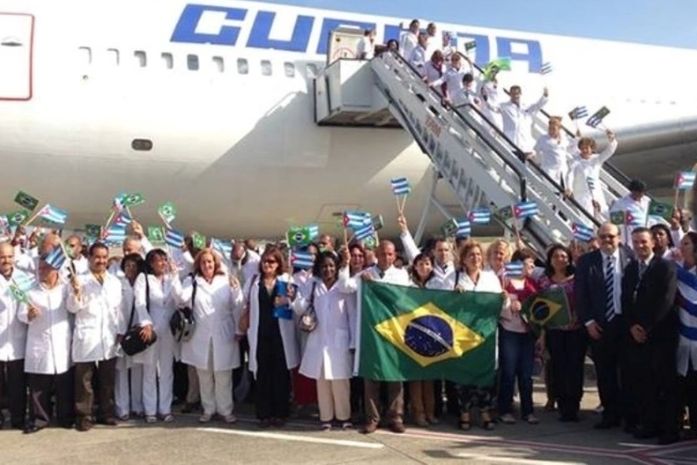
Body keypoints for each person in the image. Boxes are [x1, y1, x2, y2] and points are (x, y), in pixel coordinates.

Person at [341, 240, 410, 434]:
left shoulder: (401, 274)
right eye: (382, 254)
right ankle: (372, 418)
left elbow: (400, 298)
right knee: (371, 376)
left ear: (394, 256)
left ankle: (395, 417)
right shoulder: (366, 273)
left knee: (395, 375)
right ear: (376, 255)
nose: (386, 257)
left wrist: (375, 285)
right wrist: (345, 264)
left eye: (390, 254)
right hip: (371, 332)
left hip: (393, 330)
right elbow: (345, 287)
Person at [622, 228, 679, 444]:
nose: (639, 246)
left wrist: (646, 327)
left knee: (665, 383)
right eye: (636, 242)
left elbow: (666, 300)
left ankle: (669, 429)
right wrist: (632, 326)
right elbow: (625, 300)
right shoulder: (630, 268)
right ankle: (649, 424)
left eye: (643, 241)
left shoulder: (666, 267)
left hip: (660, 334)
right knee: (644, 382)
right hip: (637, 335)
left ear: (653, 242)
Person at [575, 222, 633, 430]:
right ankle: (610, 414)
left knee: (627, 372)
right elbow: (581, 295)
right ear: (597, 239)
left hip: (624, 324)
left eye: (611, 236)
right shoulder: (586, 262)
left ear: (619, 238)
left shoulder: (630, 258)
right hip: (599, 325)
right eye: (603, 237)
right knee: (605, 372)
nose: (607, 240)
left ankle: (629, 415)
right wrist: (589, 322)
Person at [294, 251, 355, 431]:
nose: (328, 269)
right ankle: (326, 417)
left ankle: (344, 417)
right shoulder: (313, 284)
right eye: (324, 266)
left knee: (340, 382)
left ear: (336, 267)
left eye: (331, 266)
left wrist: (353, 341)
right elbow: (299, 308)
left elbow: (352, 316)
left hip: (340, 341)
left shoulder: (343, 286)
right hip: (318, 339)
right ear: (319, 268)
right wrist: (295, 298)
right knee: (322, 382)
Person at [67, 242, 124, 432]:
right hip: (87, 334)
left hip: (108, 335)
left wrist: (120, 331)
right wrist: (76, 293)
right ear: (90, 258)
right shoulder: (79, 280)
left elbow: (118, 310)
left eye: (104, 257)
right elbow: (72, 308)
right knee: (84, 380)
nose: (101, 261)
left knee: (107, 379)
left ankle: (106, 413)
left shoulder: (114, 282)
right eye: (97, 257)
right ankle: (84, 416)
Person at [181, 248, 242, 424]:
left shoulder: (226, 280)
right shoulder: (192, 281)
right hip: (200, 333)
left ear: (215, 263)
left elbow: (238, 304)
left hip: (224, 332)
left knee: (223, 374)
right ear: (198, 265)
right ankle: (208, 409)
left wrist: (239, 329)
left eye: (210, 261)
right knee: (204, 374)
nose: (207, 265)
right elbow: (181, 300)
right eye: (203, 262)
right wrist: (173, 279)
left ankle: (225, 410)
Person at [242, 247, 298, 427]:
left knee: (280, 374)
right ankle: (264, 414)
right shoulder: (254, 281)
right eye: (265, 261)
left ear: (279, 264)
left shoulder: (287, 280)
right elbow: (242, 302)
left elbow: (297, 305)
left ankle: (281, 413)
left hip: (280, 335)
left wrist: (288, 299)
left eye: (272, 262)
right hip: (260, 334)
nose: (267, 265)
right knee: (262, 374)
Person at [19, 256, 74, 433]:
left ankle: (65, 417)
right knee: (38, 386)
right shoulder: (31, 291)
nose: (41, 271)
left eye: (45, 268)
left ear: (55, 270)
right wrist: (29, 315)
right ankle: (39, 419)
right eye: (40, 268)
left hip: (61, 341)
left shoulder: (65, 288)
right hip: (39, 341)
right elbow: (21, 314)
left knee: (64, 384)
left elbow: (73, 307)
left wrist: (77, 292)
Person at [455, 240, 505, 431]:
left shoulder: (491, 278)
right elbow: (444, 305)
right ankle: (464, 412)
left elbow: (501, 306)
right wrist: (454, 296)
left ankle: (485, 411)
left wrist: (505, 299)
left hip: (486, 334)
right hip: (464, 334)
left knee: (485, 374)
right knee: (464, 375)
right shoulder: (456, 279)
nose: (475, 258)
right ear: (463, 259)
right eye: (471, 255)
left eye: (478, 255)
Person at [538, 244, 587, 422]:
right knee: (558, 368)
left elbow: (584, 300)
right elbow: (540, 308)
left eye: (564, 256)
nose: (560, 259)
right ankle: (562, 405)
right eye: (556, 256)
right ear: (550, 260)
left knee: (575, 368)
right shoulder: (544, 281)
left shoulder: (578, 278)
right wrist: (542, 334)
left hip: (576, 330)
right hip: (554, 331)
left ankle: (574, 405)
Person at [132, 249, 179, 423]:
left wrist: (175, 277)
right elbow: (140, 302)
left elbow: (180, 300)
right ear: (151, 263)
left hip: (169, 330)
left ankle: (165, 409)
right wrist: (146, 323)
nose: (163, 263)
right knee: (149, 370)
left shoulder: (171, 278)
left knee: (167, 370)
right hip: (150, 330)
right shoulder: (144, 278)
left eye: (165, 259)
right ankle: (150, 410)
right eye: (159, 260)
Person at [498, 249, 540, 425]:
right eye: (529, 263)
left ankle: (528, 410)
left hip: (528, 333)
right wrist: (509, 305)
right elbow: (497, 306)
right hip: (509, 331)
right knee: (508, 372)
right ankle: (505, 409)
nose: (532, 267)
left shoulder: (533, 284)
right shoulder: (505, 282)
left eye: (533, 263)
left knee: (526, 374)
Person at [115, 254, 151, 421]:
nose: (130, 269)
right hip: (120, 331)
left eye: (134, 266)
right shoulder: (118, 283)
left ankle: (137, 406)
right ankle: (122, 408)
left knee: (137, 369)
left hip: (137, 330)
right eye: (127, 265)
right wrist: (119, 330)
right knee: (121, 371)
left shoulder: (143, 283)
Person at [407, 253, 441, 426]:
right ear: (415, 266)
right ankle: (418, 413)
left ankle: (430, 412)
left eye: (427, 263)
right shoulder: (407, 284)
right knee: (415, 377)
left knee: (429, 377)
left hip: (432, 333)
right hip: (413, 333)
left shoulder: (439, 284)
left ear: (432, 266)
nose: (424, 267)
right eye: (420, 263)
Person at [0, 241, 28, 429]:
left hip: (17, 340)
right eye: (2, 257)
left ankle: (18, 418)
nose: (6, 260)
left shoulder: (23, 279)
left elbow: (26, 306)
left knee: (17, 383)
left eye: (10, 256)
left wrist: (29, 313)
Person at [566, 130, 618, 219]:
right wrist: (569, 188)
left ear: (592, 149)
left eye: (587, 148)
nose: (584, 150)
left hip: (596, 192)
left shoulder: (596, 159)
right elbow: (569, 175)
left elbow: (609, 151)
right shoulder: (575, 161)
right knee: (587, 217)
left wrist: (612, 140)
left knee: (604, 214)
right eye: (582, 148)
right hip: (582, 194)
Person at [676, 232, 697, 438]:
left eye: (687, 244)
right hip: (682, 337)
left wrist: (682, 301)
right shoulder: (676, 269)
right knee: (685, 382)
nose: (682, 247)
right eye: (681, 243)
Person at [491, 85, 549, 157]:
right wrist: (487, 97)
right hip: (510, 142)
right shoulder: (504, 106)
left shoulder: (526, 107)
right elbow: (493, 108)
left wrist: (545, 96)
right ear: (510, 94)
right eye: (513, 94)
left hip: (524, 143)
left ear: (520, 94)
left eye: (517, 93)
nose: (515, 96)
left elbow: (537, 106)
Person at [533, 117, 576, 186]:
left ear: (559, 129)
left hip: (562, 169)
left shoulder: (564, 139)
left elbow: (572, 147)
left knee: (563, 187)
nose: (551, 131)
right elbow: (536, 150)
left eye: (554, 129)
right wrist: (538, 162)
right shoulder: (543, 139)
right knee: (550, 187)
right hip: (549, 168)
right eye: (550, 128)